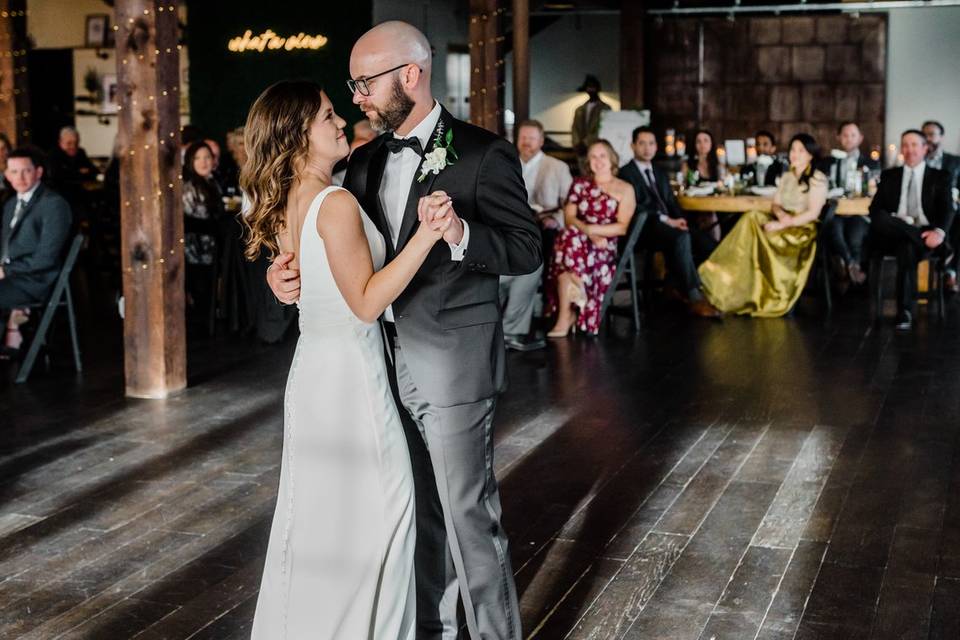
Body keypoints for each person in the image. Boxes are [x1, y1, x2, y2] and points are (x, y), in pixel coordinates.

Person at [267, 21, 541, 640]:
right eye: (353, 86)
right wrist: (287, 277)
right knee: (416, 516)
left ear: (409, 76)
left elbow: (526, 249)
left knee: (469, 515)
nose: (358, 97)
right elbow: (340, 253)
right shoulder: (360, 162)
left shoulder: (481, 152)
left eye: (365, 83)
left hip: (450, 362)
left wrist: (461, 235)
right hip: (375, 366)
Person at [246, 80, 454, 639]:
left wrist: (279, 277)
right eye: (327, 116)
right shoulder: (334, 203)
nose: (341, 122)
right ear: (296, 137)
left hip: (314, 372)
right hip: (350, 378)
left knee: (327, 525)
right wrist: (427, 236)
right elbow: (364, 302)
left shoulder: (294, 198)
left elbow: (305, 275)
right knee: (384, 515)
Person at [698, 133, 828, 317]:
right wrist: (780, 215)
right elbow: (775, 203)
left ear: (810, 155)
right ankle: (722, 276)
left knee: (756, 228)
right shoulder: (788, 176)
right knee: (752, 217)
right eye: (793, 150)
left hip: (801, 230)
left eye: (801, 150)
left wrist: (784, 224)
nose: (795, 154)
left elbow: (813, 213)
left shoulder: (817, 178)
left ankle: (748, 286)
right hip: (784, 220)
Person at [619, 126, 720, 318]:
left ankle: (675, 284)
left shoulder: (659, 171)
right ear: (633, 146)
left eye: (651, 143)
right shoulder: (626, 173)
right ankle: (694, 296)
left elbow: (671, 201)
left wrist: (679, 218)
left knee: (707, 244)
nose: (647, 148)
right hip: (645, 228)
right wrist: (668, 220)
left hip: (670, 225)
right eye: (642, 143)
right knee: (681, 238)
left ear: (656, 146)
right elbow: (636, 207)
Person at [868, 129, 955, 331]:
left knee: (906, 248)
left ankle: (904, 311)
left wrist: (939, 233)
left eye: (914, 145)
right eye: (905, 145)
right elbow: (875, 210)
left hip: (926, 231)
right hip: (896, 231)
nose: (909, 150)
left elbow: (948, 209)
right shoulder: (889, 175)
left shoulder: (940, 177)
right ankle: (928, 242)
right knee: (881, 218)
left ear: (925, 148)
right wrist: (909, 228)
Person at [546, 139, 635, 336]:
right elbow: (569, 218)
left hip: (604, 247)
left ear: (611, 158)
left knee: (568, 247)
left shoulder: (625, 188)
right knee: (570, 236)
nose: (598, 160)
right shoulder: (579, 184)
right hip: (578, 239)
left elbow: (622, 227)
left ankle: (565, 318)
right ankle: (572, 307)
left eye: (602, 155)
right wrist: (588, 231)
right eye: (593, 156)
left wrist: (593, 232)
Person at [499, 119, 572, 351]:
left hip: (544, 230)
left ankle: (511, 328)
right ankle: (503, 327)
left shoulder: (557, 167)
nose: (527, 142)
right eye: (523, 137)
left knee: (529, 262)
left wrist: (555, 220)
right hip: (510, 228)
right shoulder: (506, 164)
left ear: (541, 140)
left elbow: (570, 205)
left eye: (532, 138)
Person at [0, 147, 72, 353]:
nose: (20, 177)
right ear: (6, 175)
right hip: (12, 276)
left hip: (36, 281)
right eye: (14, 172)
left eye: (26, 171)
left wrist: (6, 271)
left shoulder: (53, 205)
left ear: (38, 172)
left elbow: (46, 259)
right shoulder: (11, 203)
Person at [824, 122, 881, 287]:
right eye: (845, 135)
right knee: (835, 231)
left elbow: (874, 189)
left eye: (853, 135)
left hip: (859, 212)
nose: (849, 139)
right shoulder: (830, 161)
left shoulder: (870, 163)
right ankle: (852, 267)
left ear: (860, 138)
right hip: (836, 211)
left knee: (855, 236)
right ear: (839, 138)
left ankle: (846, 272)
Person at [182, 141, 224, 325]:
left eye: (207, 157)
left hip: (212, 248)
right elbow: (192, 223)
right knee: (202, 296)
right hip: (197, 252)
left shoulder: (213, 183)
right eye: (198, 158)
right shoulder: (190, 188)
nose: (204, 162)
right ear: (190, 161)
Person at [922, 120, 960, 291]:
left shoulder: (955, 161)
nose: (928, 138)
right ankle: (944, 261)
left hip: (951, 208)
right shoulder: (917, 159)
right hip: (924, 210)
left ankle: (950, 271)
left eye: (932, 134)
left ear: (941, 137)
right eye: (925, 134)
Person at [571, 74, 612, 156]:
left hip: (597, 146)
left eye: (593, 87)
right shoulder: (579, 109)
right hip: (580, 151)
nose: (591, 90)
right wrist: (577, 143)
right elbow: (575, 128)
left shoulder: (605, 108)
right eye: (589, 87)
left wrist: (586, 142)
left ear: (598, 89)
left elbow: (603, 128)